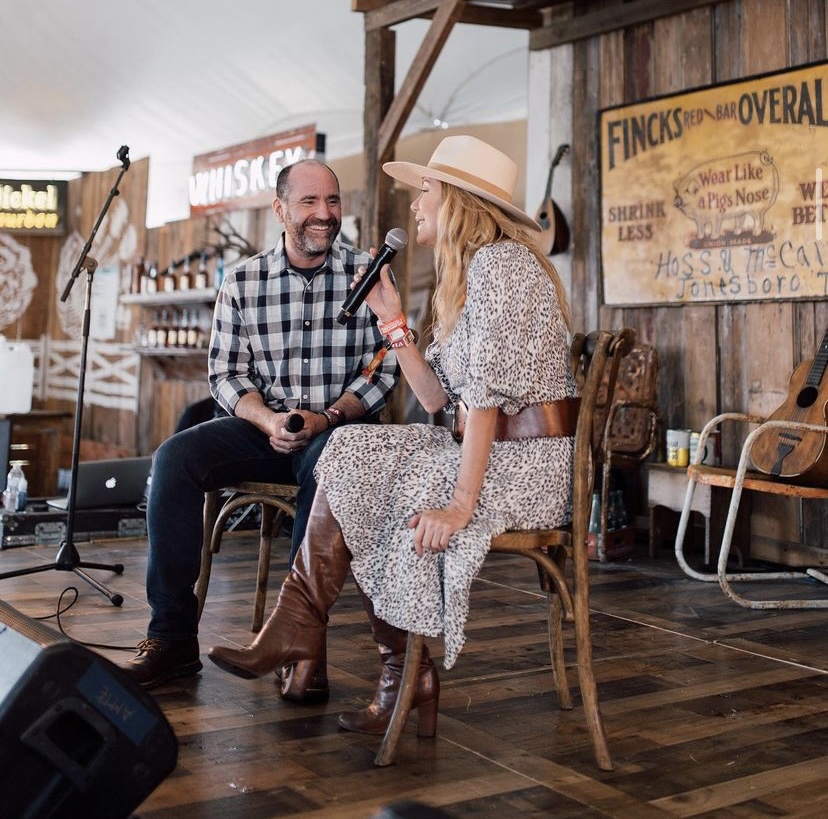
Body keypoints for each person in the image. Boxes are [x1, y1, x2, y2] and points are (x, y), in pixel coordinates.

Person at [207, 135, 577, 737]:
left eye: (424, 190)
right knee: (352, 447)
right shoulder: (469, 272)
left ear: (456, 199)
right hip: (486, 448)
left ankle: (398, 671)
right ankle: (304, 624)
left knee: (391, 483)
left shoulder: (503, 266)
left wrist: (460, 505)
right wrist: (392, 321)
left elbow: (484, 401)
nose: (414, 204)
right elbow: (435, 400)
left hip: (525, 464)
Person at [122, 159, 398, 694]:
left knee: (329, 462)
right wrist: (270, 419)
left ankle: (302, 643)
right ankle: (171, 639)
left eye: (333, 201)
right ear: (280, 209)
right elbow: (226, 375)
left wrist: (328, 416)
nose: (325, 213)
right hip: (263, 427)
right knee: (174, 458)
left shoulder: (368, 274)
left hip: (339, 430)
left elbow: (382, 370)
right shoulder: (243, 281)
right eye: (309, 202)